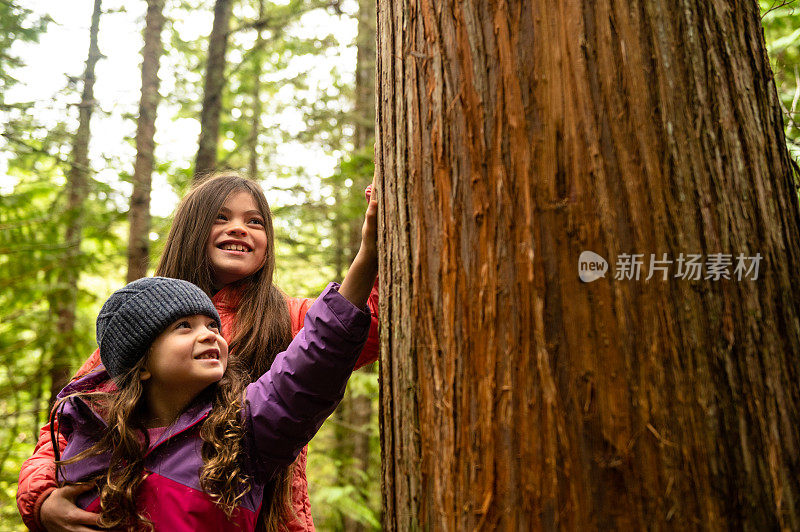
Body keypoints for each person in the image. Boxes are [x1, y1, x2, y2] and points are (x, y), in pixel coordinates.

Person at [17, 174, 380, 531]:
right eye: (221, 217)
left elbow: (348, 332)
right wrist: (41, 499)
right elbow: (72, 422)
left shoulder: (289, 317)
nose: (239, 228)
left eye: (254, 221)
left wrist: (381, 230)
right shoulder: (139, 325)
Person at [49, 270, 373, 530]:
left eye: (212, 325)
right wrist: (40, 503)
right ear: (142, 363)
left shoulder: (244, 432)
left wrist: (368, 256)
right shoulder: (93, 438)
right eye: (184, 326)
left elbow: (317, 355)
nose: (209, 335)